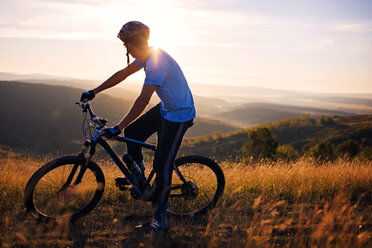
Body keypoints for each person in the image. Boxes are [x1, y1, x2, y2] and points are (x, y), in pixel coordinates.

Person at [80, 21, 195, 232]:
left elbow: (142, 100)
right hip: (166, 109)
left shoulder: (157, 63)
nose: (126, 48)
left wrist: (119, 126)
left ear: (135, 43)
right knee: (133, 132)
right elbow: (122, 74)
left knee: (162, 166)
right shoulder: (147, 56)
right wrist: (94, 91)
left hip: (179, 116)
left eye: (126, 44)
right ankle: (140, 177)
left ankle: (160, 218)